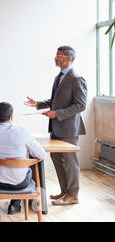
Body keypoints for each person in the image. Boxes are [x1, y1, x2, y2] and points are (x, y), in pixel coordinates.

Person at [25, 46, 87, 206]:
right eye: (56, 55)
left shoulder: (76, 78)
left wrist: (57, 113)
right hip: (56, 128)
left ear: (68, 59)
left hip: (68, 129)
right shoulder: (59, 76)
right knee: (57, 159)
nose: (55, 58)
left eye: (59, 55)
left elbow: (80, 105)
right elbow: (55, 101)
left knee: (70, 161)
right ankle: (65, 191)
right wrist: (38, 104)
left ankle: (73, 195)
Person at [0, 102, 46, 221]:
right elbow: (41, 155)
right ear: (12, 116)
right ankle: (14, 205)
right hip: (21, 183)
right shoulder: (23, 132)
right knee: (26, 169)